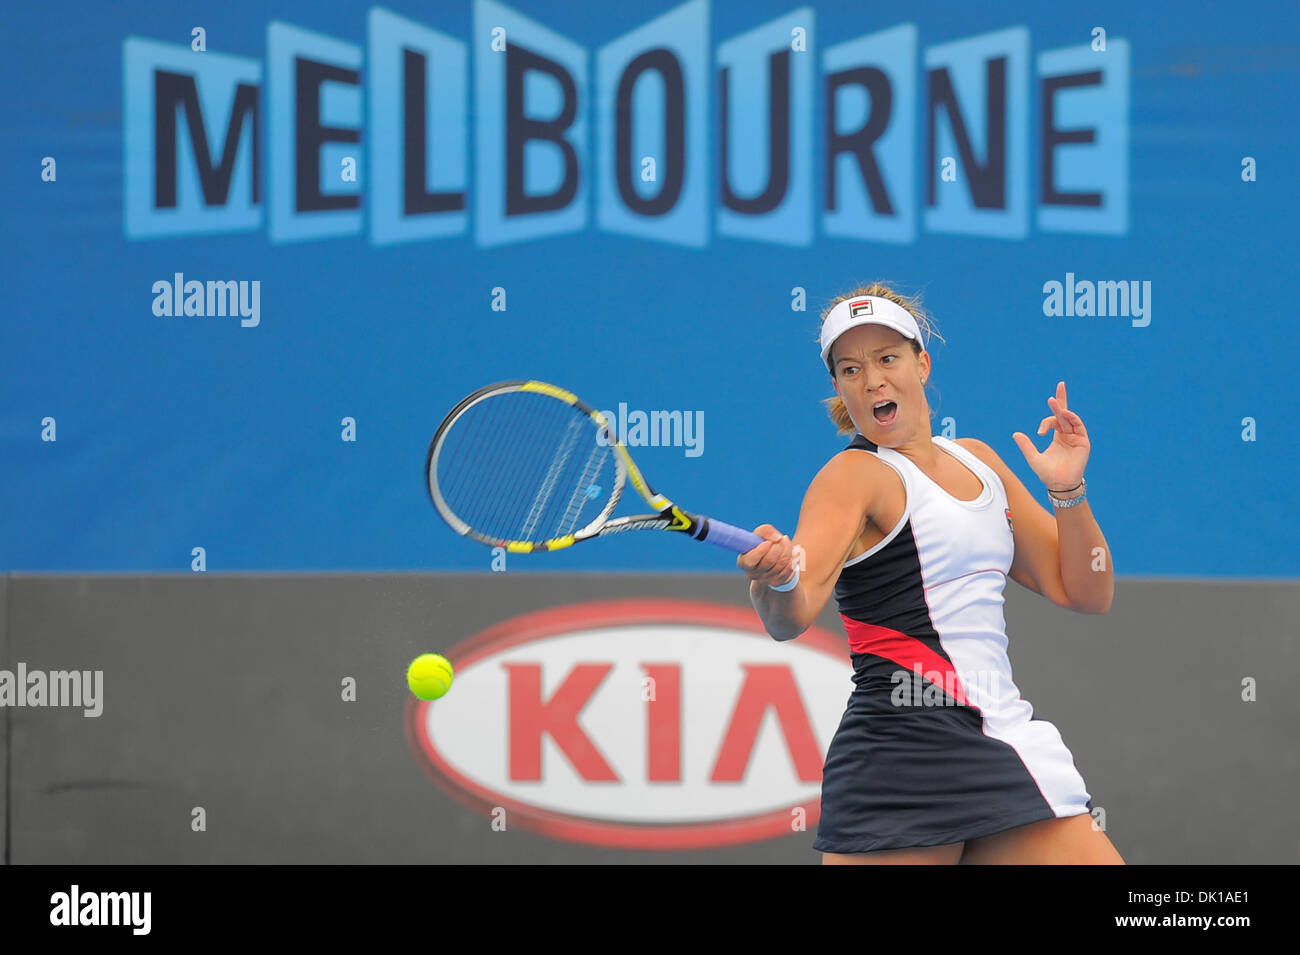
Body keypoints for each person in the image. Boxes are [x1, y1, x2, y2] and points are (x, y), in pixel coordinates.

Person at [741, 283, 1124, 864]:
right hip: (900, 757)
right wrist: (775, 580)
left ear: (921, 362)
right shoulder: (851, 477)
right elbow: (790, 616)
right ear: (840, 387)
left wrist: (1067, 490)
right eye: (850, 369)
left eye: (886, 359)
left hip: (1000, 735)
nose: (871, 381)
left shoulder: (980, 460)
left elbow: (1087, 590)